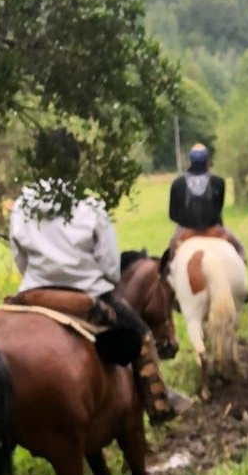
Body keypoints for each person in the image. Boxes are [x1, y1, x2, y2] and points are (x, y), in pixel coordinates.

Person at [9, 128, 184, 425]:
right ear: (75, 165)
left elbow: (19, 257)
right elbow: (111, 269)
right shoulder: (89, 208)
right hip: (86, 296)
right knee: (141, 335)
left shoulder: (22, 206)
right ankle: (158, 404)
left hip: (34, 293)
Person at [167, 143, 246, 262]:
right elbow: (218, 209)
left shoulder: (178, 183)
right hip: (213, 228)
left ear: (190, 160)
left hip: (185, 229)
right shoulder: (219, 182)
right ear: (207, 160)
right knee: (240, 250)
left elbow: (173, 214)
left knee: (168, 260)